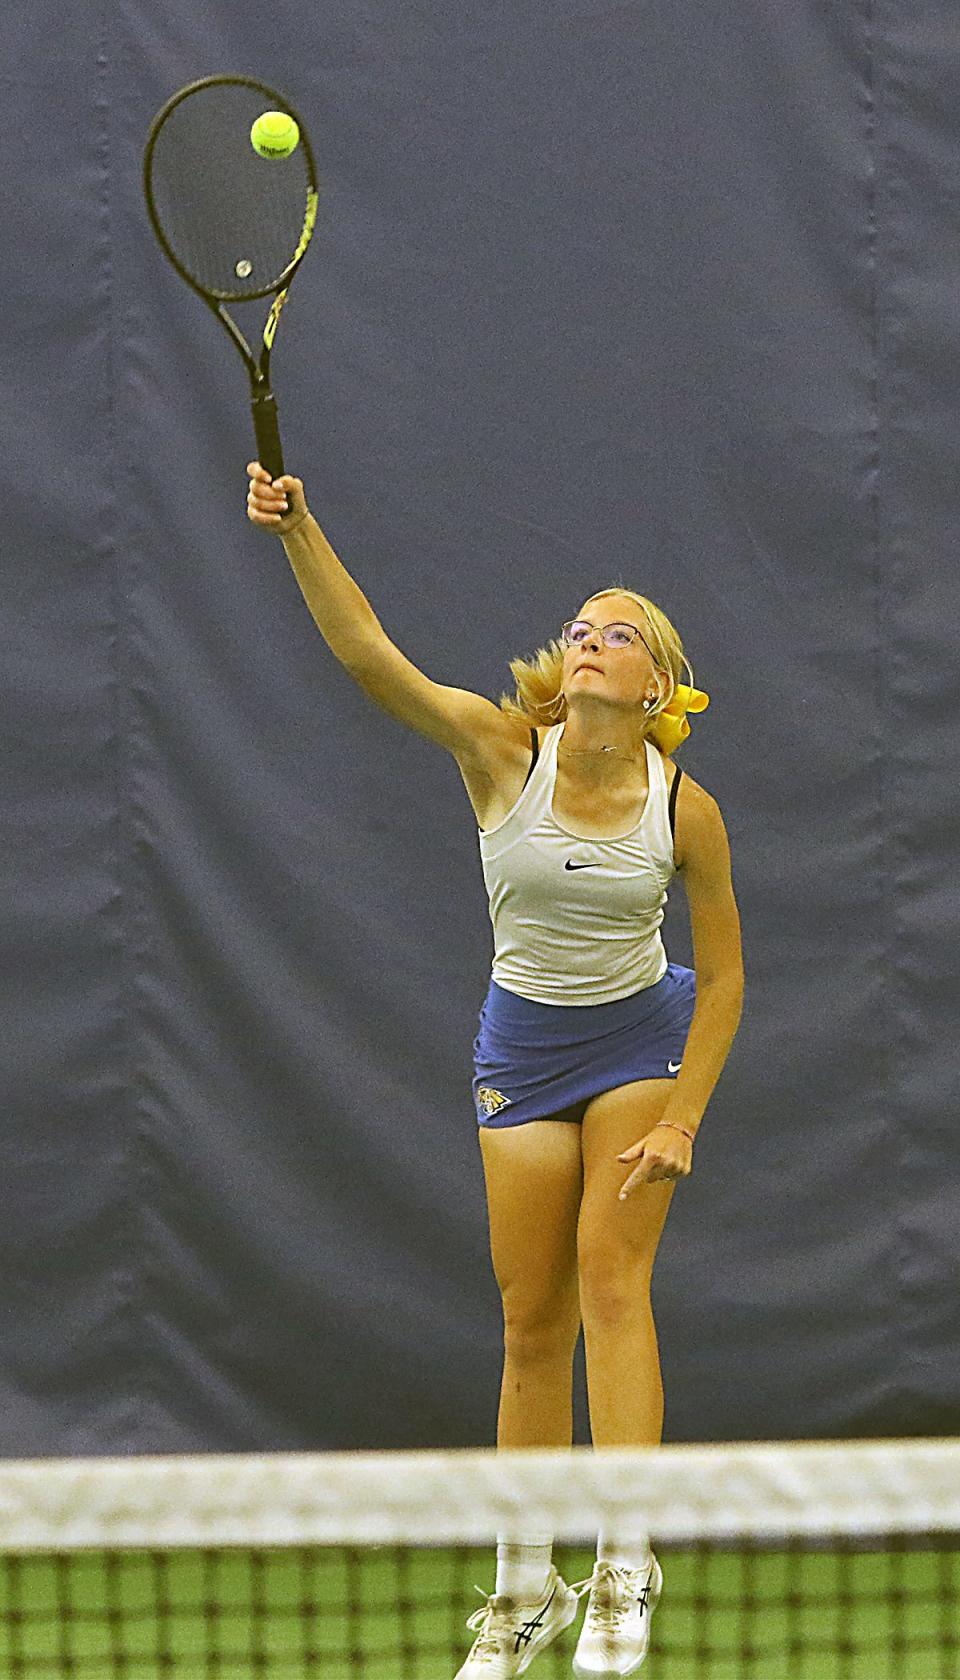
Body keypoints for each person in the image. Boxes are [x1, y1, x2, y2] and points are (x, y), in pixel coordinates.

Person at [247, 463, 744, 1678]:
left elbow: (725, 980)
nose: (589, 639)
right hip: (521, 1045)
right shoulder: (497, 751)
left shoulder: (689, 813)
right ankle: (528, 1591)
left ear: (656, 681)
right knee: (531, 1321)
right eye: (581, 625)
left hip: (637, 1037)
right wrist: (301, 528)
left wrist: (682, 1117)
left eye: (618, 632)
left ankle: (625, 1567)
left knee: (610, 1281)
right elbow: (373, 660)